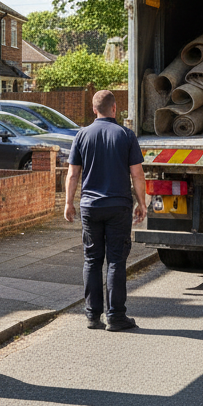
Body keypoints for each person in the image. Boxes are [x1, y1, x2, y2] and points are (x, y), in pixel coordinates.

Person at [64, 90, 146, 332]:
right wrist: (142, 203)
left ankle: (92, 316)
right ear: (114, 108)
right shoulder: (126, 135)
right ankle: (116, 317)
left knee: (92, 260)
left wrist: (68, 203)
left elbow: (72, 174)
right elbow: (137, 174)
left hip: (90, 206)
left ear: (93, 109)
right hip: (118, 206)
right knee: (116, 261)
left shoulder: (82, 135)